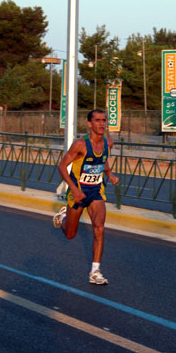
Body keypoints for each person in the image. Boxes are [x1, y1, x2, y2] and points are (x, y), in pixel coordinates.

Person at [53, 109, 119, 285]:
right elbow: (62, 166)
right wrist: (74, 189)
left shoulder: (108, 143)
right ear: (89, 124)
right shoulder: (80, 144)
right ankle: (65, 216)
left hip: (96, 191)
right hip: (78, 192)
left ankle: (95, 271)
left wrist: (110, 174)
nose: (101, 124)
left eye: (104, 120)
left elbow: (103, 160)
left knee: (100, 228)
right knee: (69, 235)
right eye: (97, 120)